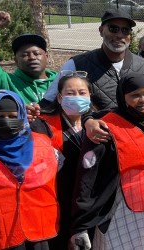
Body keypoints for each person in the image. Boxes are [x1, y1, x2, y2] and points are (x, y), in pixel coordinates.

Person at [70, 73, 144, 250]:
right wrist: (80, 226)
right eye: (135, 95)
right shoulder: (105, 128)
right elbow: (88, 176)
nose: (142, 100)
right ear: (123, 98)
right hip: (126, 213)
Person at [0, 90, 59, 250]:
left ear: (21, 115)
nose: (6, 121)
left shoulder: (43, 144)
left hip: (39, 233)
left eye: (13, 116)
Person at [43, 9, 144, 111]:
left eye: (125, 30)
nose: (119, 35)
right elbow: (48, 103)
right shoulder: (76, 65)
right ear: (101, 30)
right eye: (113, 28)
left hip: (135, 135)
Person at [30, 71, 92, 250]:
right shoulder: (42, 125)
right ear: (59, 97)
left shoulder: (97, 124)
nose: (77, 97)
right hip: (57, 204)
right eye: (70, 93)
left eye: (82, 93)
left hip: (87, 206)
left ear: (89, 96)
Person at [0, 9, 57, 103]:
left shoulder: (61, 82)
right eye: (24, 55)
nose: (32, 57)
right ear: (16, 61)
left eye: (36, 53)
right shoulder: (7, 83)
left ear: (46, 56)